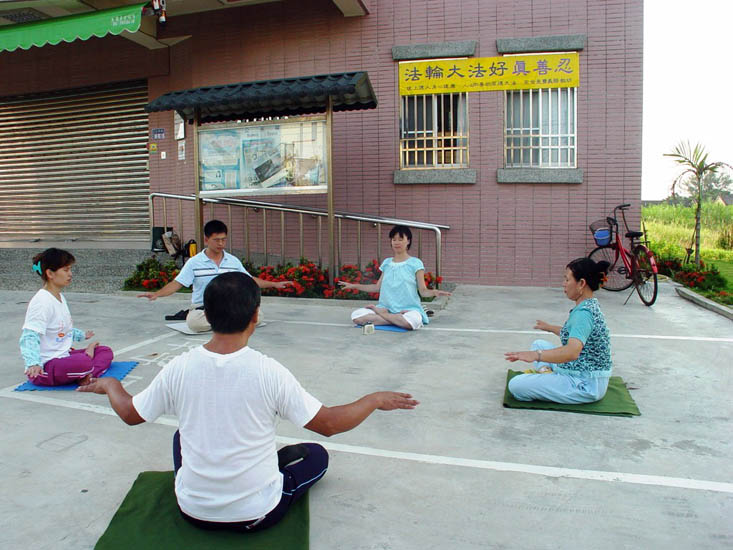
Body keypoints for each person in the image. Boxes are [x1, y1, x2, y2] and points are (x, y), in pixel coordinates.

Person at [80, 272, 418, 532]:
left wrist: (111, 384)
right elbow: (328, 424)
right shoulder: (269, 371)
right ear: (255, 316)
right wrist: (374, 399)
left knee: (181, 436)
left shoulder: (178, 367)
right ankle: (268, 474)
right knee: (317, 455)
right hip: (257, 514)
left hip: (192, 511)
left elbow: (131, 414)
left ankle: (235, 477)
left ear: (206, 316)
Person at [139, 219, 291, 332]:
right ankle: (230, 324)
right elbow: (177, 283)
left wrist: (275, 284)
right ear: (206, 240)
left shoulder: (232, 261)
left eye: (223, 240)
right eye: (216, 240)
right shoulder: (194, 262)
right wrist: (157, 294)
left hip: (229, 306)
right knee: (194, 323)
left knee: (259, 315)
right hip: (204, 309)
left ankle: (223, 322)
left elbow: (249, 280)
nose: (221, 244)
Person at [504, 257, 612, 404]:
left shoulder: (584, 314)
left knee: (516, 385)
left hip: (585, 383)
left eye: (567, 280)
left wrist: (535, 356)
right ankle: (547, 373)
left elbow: (572, 352)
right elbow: (574, 334)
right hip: (582, 370)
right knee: (539, 343)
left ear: (581, 283)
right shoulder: (588, 305)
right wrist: (549, 328)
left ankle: (547, 375)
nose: (564, 284)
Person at [19, 248, 114, 387]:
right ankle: (86, 368)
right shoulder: (41, 301)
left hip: (64, 356)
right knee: (83, 362)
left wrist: (81, 335)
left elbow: (61, 328)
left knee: (105, 351)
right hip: (46, 367)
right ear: (50, 273)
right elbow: (29, 335)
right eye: (65, 270)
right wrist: (33, 363)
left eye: (70, 269)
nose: (70, 274)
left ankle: (86, 374)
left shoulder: (59, 297)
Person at [339, 225, 451, 330]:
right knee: (356, 316)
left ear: (408, 241)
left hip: (408, 310)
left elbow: (423, 291)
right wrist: (354, 286)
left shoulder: (415, 263)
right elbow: (377, 287)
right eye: (394, 239)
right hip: (385, 308)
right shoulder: (387, 263)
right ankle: (394, 319)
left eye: (400, 239)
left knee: (412, 321)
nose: (396, 242)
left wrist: (434, 292)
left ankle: (383, 316)